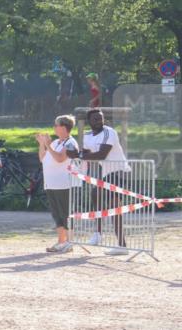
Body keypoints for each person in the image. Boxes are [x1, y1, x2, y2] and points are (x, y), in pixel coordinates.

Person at [80, 108, 130, 254]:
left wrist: (85, 156)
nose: (99, 121)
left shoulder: (110, 132)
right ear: (89, 121)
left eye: (101, 118)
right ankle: (99, 233)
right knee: (96, 194)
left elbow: (101, 154)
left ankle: (121, 245)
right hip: (108, 173)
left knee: (113, 205)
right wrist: (85, 156)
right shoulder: (87, 135)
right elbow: (85, 153)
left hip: (120, 172)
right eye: (95, 119)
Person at [36, 115, 80, 254]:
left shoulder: (70, 143)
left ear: (63, 127)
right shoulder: (56, 142)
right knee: (57, 214)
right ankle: (61, 241)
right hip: (51, 183)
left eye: (56, 125)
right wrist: (42, 144)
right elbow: (42, 158)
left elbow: (60, 158)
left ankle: (69, 242)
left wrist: (48, 144)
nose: (54, 127)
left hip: (64, 183)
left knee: (65, 213)